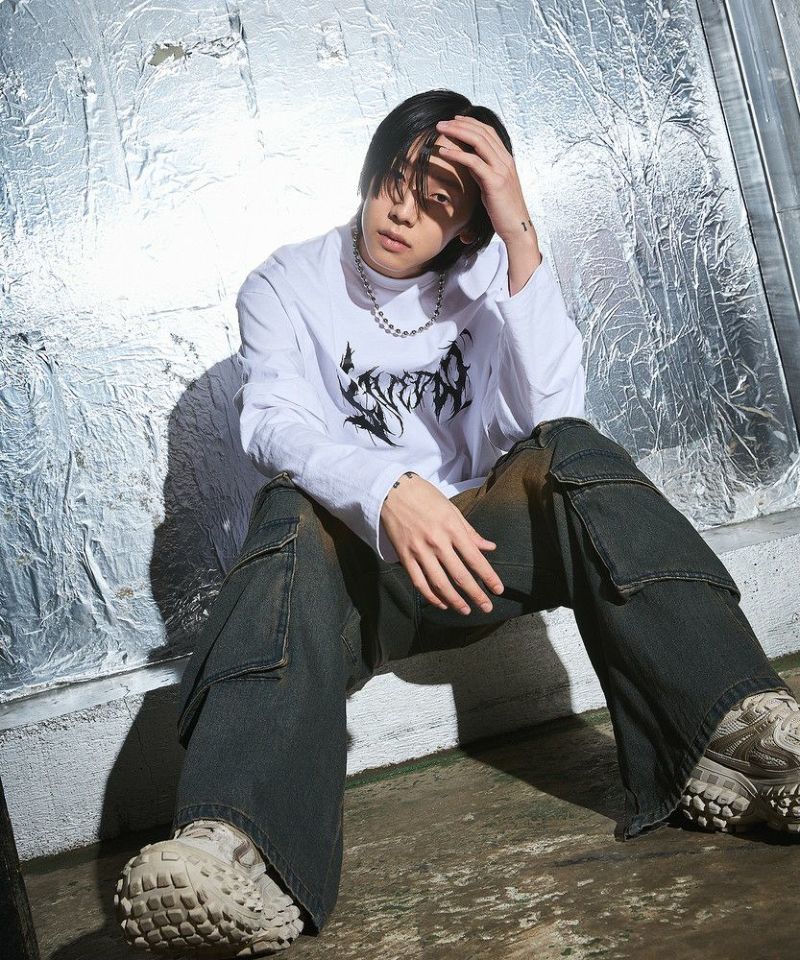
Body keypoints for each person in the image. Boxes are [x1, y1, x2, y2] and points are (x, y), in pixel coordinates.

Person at [114, 89, 800, 956]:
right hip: (361, 579)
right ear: (370, 173)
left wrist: (520, 238)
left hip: (489, 551)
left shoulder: (491, 275)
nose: (403, 212)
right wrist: (388, 490)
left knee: (575, 452)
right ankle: (238, 846)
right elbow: (272, 424)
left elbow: (554, 417)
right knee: (289, 508)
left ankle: (735, 727)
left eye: (438, 202)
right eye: (394, 183)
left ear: (468, 223)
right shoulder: (285, 285)